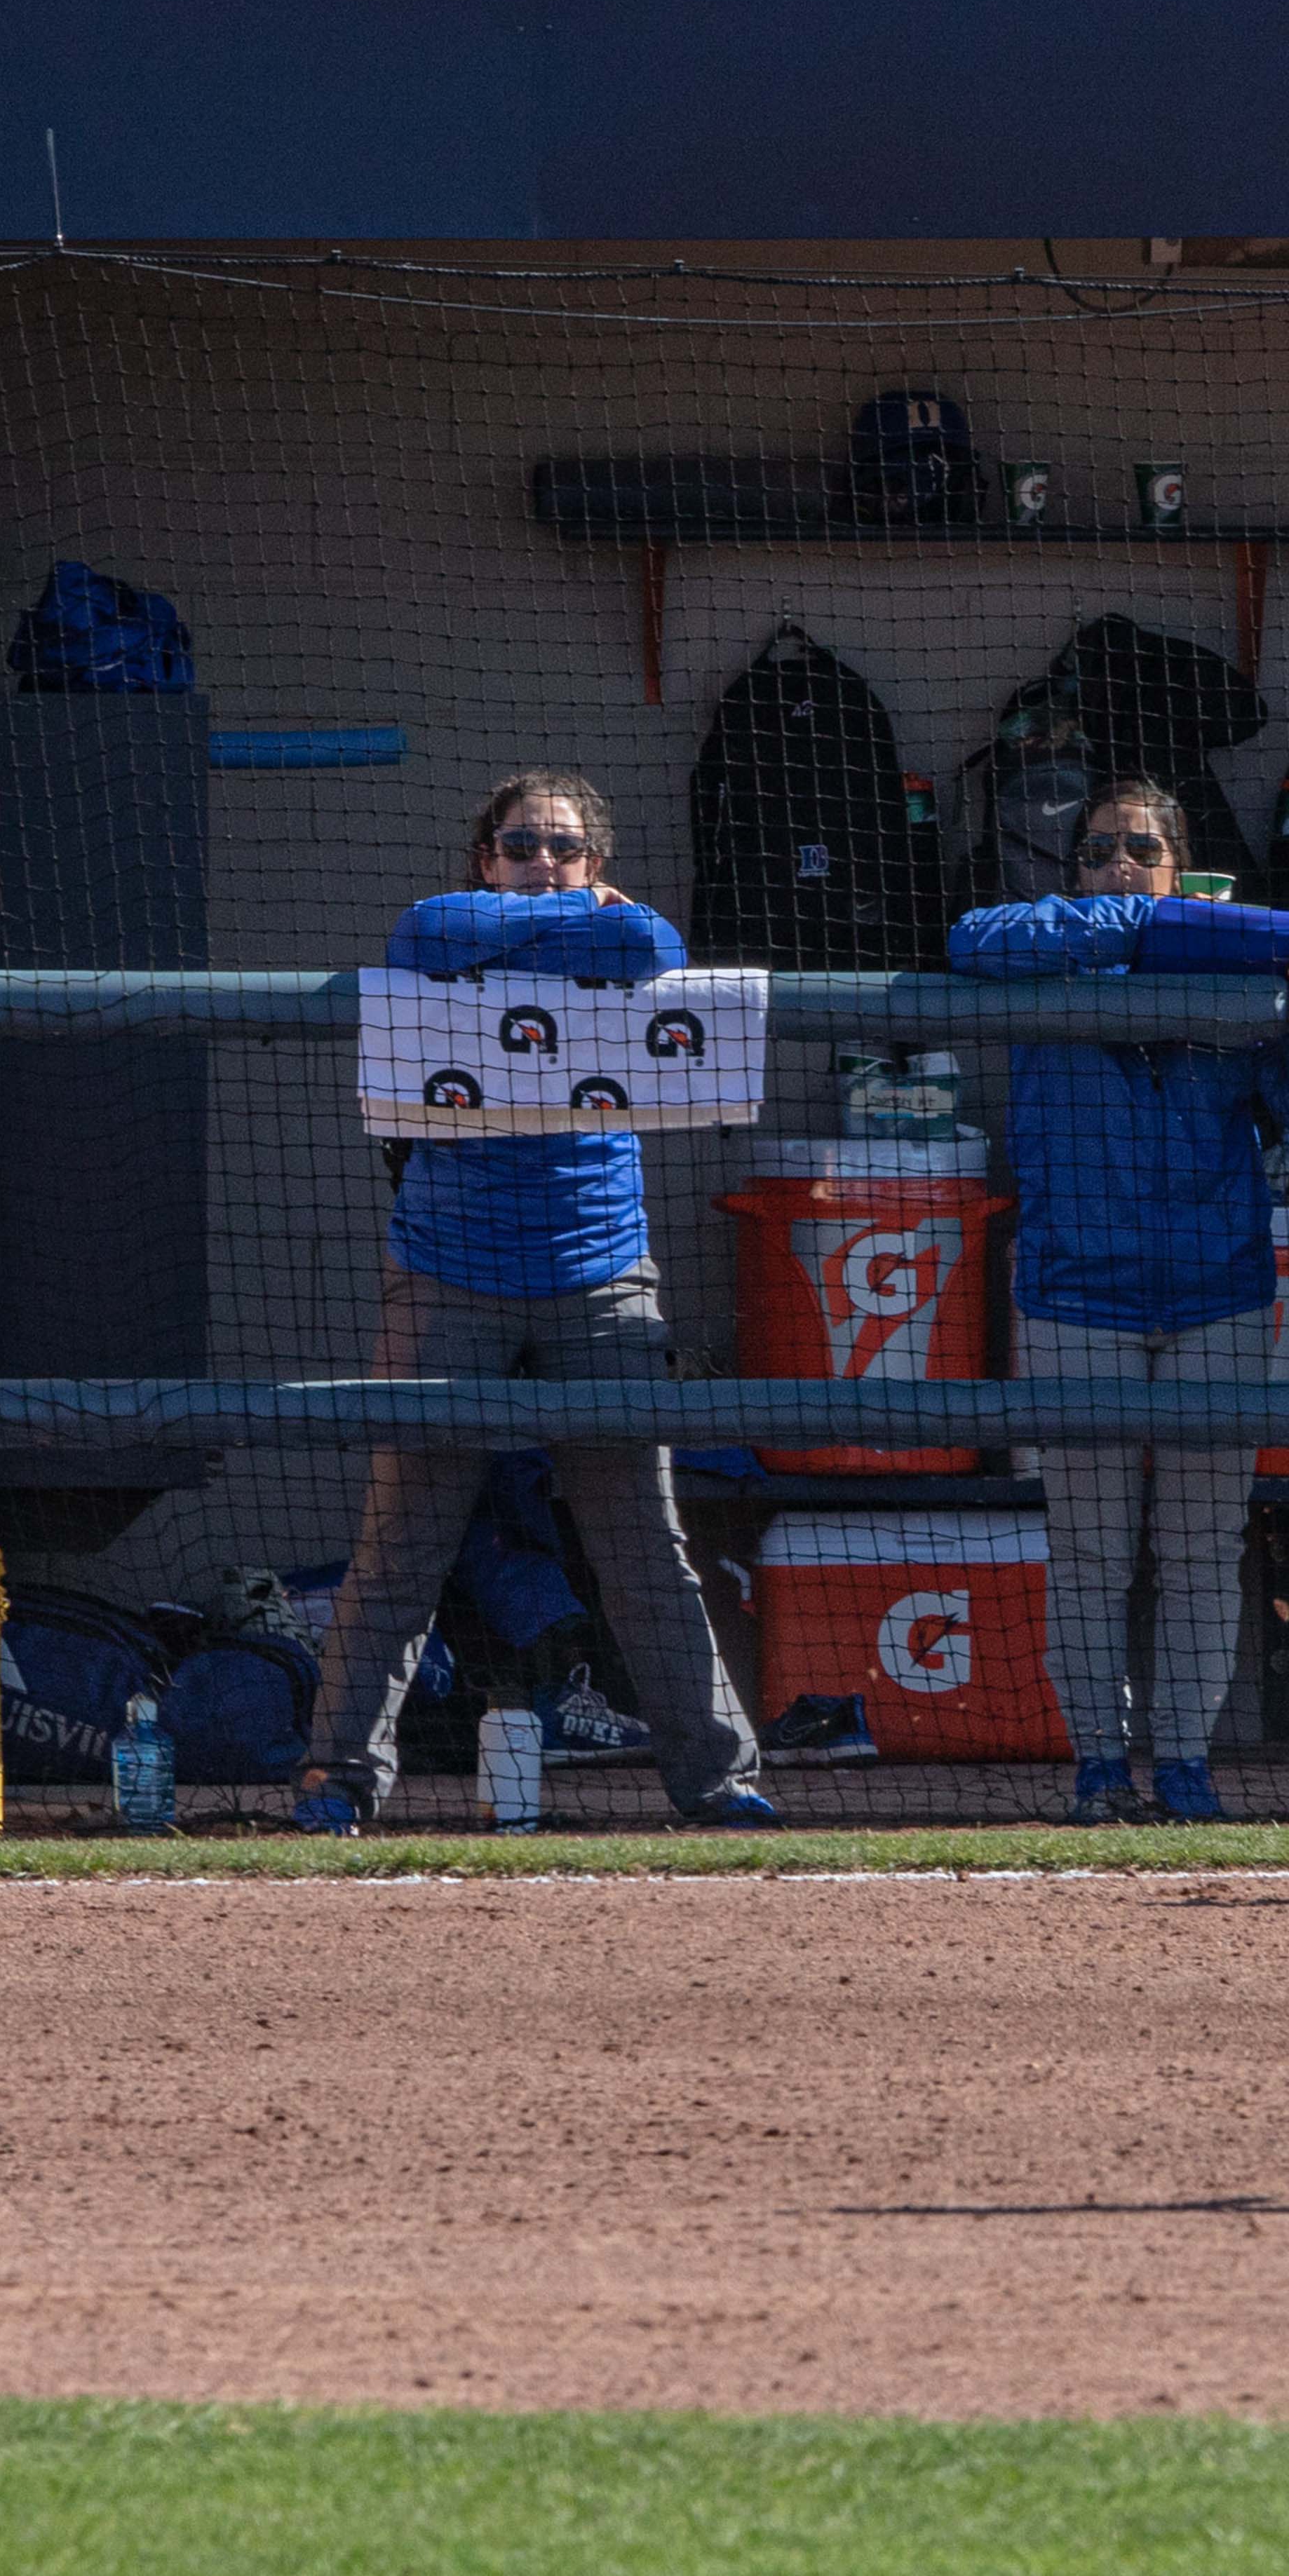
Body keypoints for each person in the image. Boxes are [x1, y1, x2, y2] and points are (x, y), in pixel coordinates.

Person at [297, 775, 774, 1833]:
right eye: (521, 846)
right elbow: (422, 930)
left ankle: (718, 1776)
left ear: (597, 862)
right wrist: (569, 925)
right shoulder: (448, 923)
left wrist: (548, 930)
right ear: (485, 856)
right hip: (447, 1271)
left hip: (599, 1277)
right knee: (402, 1543)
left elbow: (652, 944)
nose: (543, 862)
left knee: (643, 1541)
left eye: (566, 850)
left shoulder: (616, 926)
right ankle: (340, 1779)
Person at [949, 777, 1289, 1824]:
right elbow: (971, 938)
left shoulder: (1234, 973)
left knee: (1200, 1546)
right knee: (1087, 1550)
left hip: (1215, 1291)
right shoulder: (1043, 945)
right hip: (1074, 1294)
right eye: (1095, 855)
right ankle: (1098, 1763)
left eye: (1140, 852)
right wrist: (1141, 924)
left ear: (1186, 869)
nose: (1115, 866)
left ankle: (1181, 1761)